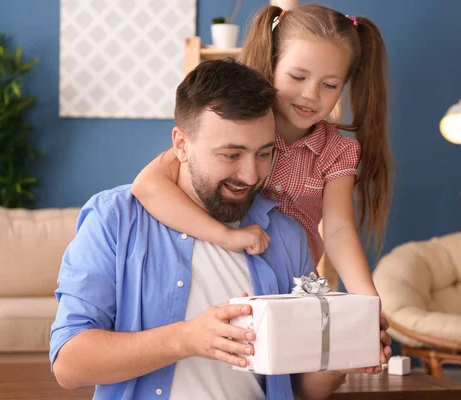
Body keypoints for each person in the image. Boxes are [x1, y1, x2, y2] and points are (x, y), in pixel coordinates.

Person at [50, 59, 371, 400]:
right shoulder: (115, 219)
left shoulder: (286, 235)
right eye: (231, 155)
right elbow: (69, 363)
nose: (250, 175)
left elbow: (300, 389)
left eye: (264, 154)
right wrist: (187, 339)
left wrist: (339, 361)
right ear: (181, 145)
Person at [131, 2, 393, 362]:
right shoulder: (233, 126)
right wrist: (226, 236)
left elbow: (338, 230)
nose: (310, 94)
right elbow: (147, 186)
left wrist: (369, 306)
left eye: (329, 85)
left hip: (286, 284)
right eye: (297, 77)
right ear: (272, 66)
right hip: (218, 263)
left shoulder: (337, 150)